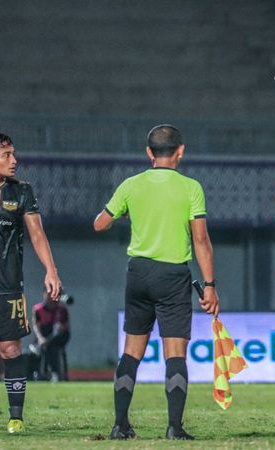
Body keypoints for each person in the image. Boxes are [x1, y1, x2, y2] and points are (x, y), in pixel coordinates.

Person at [94, 124, 220, 440]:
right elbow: (201, 240)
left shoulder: (131, 185)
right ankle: (174, 428)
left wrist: (129, 212)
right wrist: (209, 285)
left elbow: (100, 224)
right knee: (175, 353)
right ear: (181, 151)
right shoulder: (191, 188)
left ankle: (120, 425)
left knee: (131, 351)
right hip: (173, 275)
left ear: (149, 153)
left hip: (138, 273)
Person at [0, 130, 62, 434]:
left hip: (7, 286)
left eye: (13, 154)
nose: (14, 160)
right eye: (6, 155)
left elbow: (38, 235)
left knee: (10, 351)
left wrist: (51, 270)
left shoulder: (22, 191)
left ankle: (15, 416)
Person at [31, 291, 71, 381]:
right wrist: (41, 339)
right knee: (40, 349)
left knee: (52, 347)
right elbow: (36, 326)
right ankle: (41, 372)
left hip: (59, 336)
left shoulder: (61, 309)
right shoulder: (38, 309)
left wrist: (61, 327)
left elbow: (67, 326)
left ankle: (55, 372)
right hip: (45, 335)